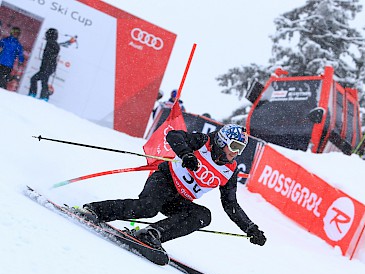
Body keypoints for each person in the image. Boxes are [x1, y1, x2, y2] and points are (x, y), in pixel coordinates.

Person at [80, 124, 266, 250]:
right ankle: (95, 209)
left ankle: (153, 234)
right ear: (222, 141)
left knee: (203, 215)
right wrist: (186, 154)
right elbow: (174, 136)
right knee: (148, 208)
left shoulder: (230, 171)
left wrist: (250, 228)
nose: (236, 152)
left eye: (240, 149)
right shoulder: (204, 142)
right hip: (164, 181)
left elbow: (230, 204)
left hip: (178, 200)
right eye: (234, 146)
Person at [28, 28, 60, 101]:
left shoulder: (50, 43)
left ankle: (39, 96)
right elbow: (49, 56)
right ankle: (42, 96)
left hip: (47, 67)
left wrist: (45, 67)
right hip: (49, 67)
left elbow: (48, 56)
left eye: (47, 34)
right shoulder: (53, 43)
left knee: (38, 80)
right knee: (41, 80)